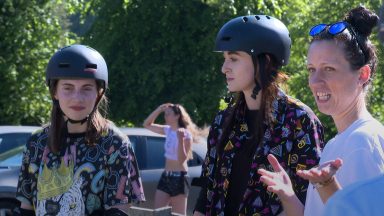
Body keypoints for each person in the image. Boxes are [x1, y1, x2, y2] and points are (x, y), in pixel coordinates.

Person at [258, 6, 384, 216]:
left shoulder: (363, 143)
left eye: (329, 69)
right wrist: (288, 195)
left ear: (362, 74)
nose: (315, 82)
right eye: (311, 70)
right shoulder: (338, 143)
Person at [193, 15, 324, 215]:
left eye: (233, 58)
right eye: (225, 59)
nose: (224, 68)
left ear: (266, 61)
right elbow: (207, 191)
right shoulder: (223, 120)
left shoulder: (299, 120)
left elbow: (310, 199)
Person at [14, 44, 145, 216]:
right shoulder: (37, 142)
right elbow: (26, 209)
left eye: (87, 88)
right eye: (68, 88)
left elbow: (119, 210)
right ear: (55, 92)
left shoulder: (115, 144)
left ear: (99, 93)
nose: (77, 98)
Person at [143, 103, 198, 215]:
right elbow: (146, 124)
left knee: (179, 214)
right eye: (165, 114)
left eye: (168, 114)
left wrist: (180, 139)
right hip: (166, 175)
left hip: (180, 177)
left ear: (177, 116)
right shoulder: (167, 130)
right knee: (158, 213)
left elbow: (182, 159)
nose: (165, 116)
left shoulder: (186, 134)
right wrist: (159, 109)